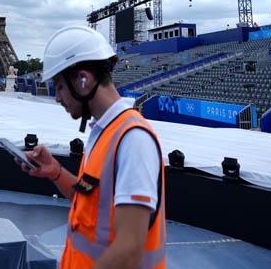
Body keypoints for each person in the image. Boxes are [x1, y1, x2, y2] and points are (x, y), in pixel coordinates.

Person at [21, 26, 166, 268]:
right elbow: (90, 204)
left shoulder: (132, 139)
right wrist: (55, 171)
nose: (57, 97)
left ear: (83, 80)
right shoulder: (105, 132)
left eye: (59, 86)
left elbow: (129, 250)